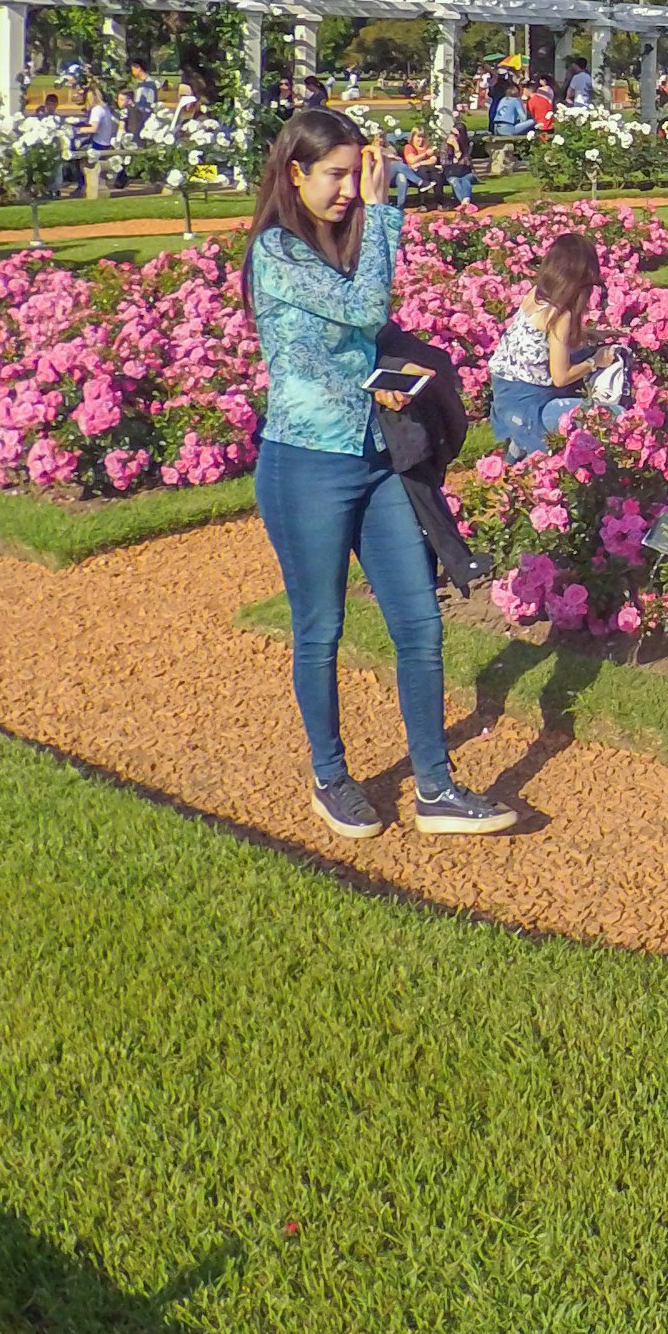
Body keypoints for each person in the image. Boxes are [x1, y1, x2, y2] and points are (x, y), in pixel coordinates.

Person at [242, 106, 513, 838]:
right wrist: (387, 207)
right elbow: (363, 305)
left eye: (355, 176)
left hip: (376, 459)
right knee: (320, 629)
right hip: (306, 467)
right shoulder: (276, 250)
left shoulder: (335, 246)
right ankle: (331, 776)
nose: (347, 191)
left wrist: (385, 373)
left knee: (420, 624)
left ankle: (435, 787)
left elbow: (362, 336)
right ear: (294, 172)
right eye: (336, 176)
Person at [485, 229, 607, 456]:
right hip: (531, 403)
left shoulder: (536, 295)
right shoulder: (561, 316)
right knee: (608, 414)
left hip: (504, 391)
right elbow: (561, 377)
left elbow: (543, 341)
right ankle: (527, 439)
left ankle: (518, 443)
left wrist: (592, 335)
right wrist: (595, 362)